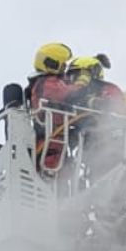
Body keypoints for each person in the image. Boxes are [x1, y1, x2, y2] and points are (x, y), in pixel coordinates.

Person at [25, 43, 81, 171]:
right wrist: (82, 85)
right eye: (63, 65)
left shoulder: (45, 81)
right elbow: (67, 93)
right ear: (52, 64)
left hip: (55, 140)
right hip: (49, 143)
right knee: (52, 174)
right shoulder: (48, 82)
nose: (64, 69)